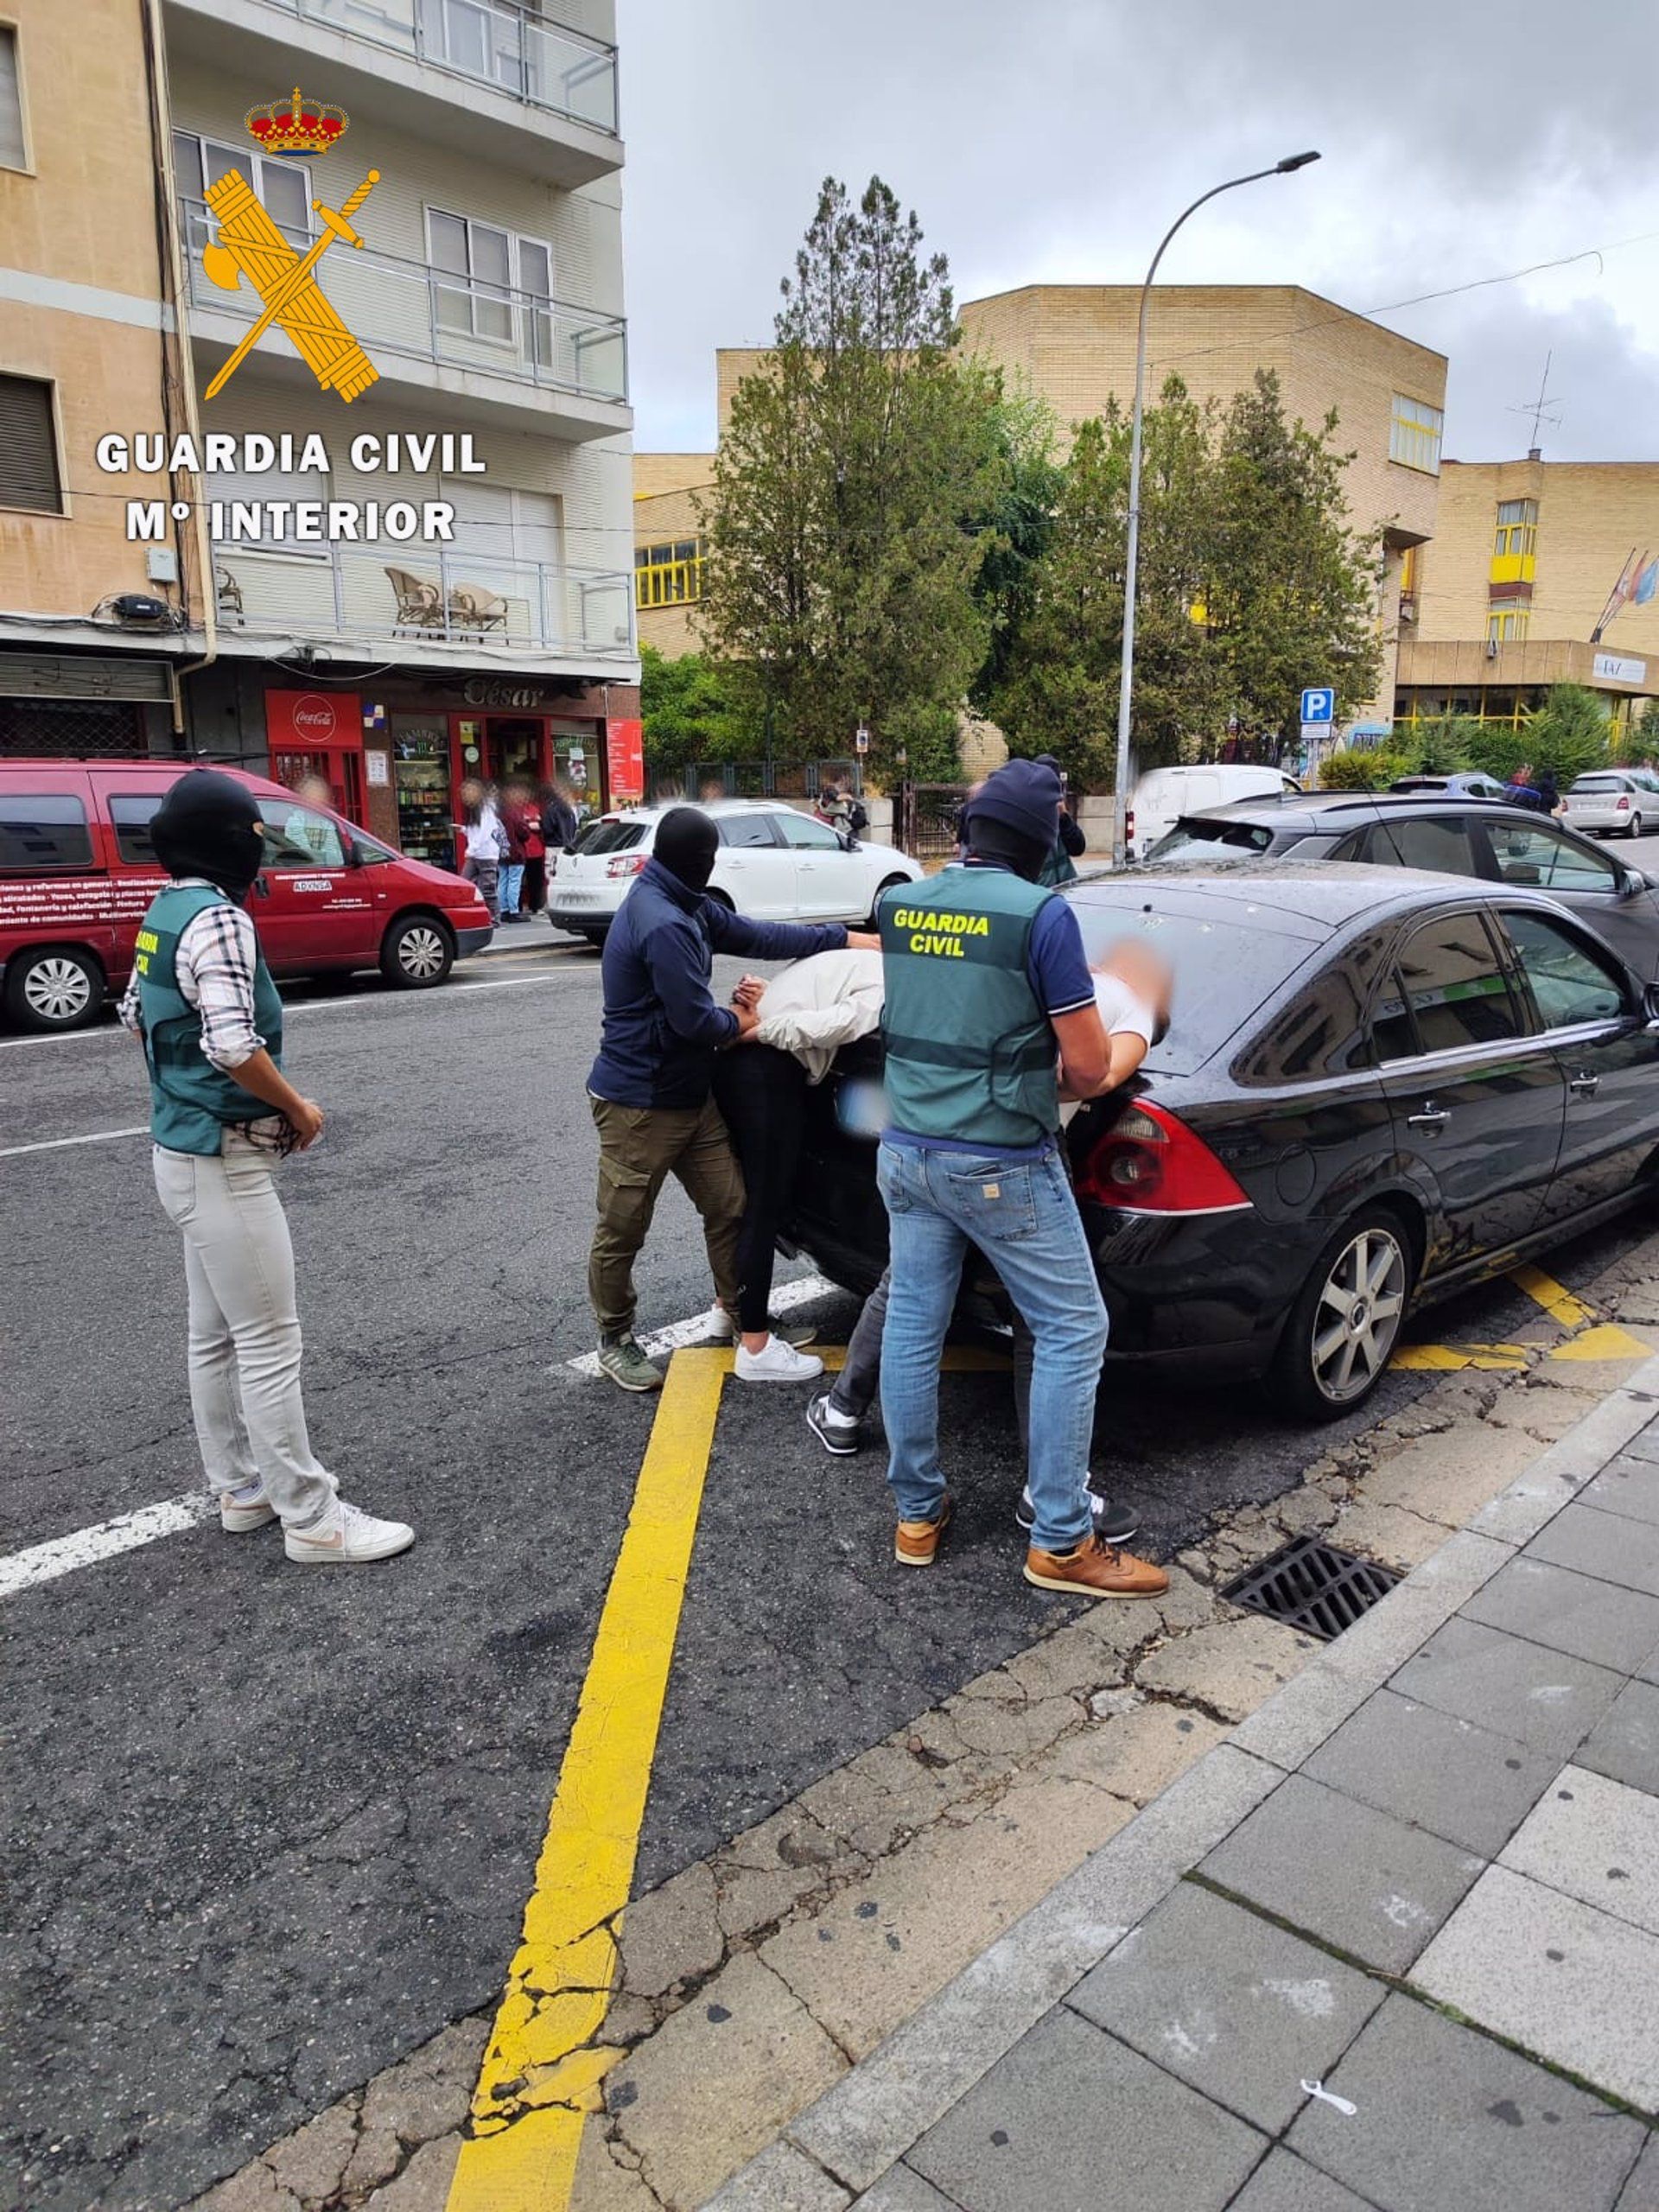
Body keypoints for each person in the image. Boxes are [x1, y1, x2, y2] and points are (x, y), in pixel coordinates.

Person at [872, 757, 1168, 1599]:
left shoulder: (904, 902)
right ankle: (1063, 1541)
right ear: (1041, 843)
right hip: (1000, 1161)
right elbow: (1081, 1071)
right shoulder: (1041, 917)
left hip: (907, 1152)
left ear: (968, 833)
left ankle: (918, 1515)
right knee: (1075, 1327)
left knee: (914, 1325)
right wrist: (1131, 1038)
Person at [119, 770, 413, 1565]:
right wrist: (296, 1108)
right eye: (253, 836)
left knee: (214, 1336)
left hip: (179, 1149)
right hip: (225, 1156)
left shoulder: (166, 910)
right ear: (230, 842)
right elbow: (230, 1042)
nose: (259, 851)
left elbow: (138, 1016)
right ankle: (311, 1517)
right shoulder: (219, 918)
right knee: (271, 1340)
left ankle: (242, 1490)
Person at [807, 938, 1173, 1556]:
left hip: (925, 1139)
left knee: (911, 1301)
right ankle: (1052, 1496)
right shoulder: (1120, 1003)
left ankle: (853, 1427)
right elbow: (1100, 1073)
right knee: (1056, 1321)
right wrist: (1012, 1093)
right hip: (1010, 1157)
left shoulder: (1061, 976)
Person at [585, 806, 877, 1391]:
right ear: (698, 862)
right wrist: (744, 1017)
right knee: (623, 1228)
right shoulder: (662, 919)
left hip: (693, 1096)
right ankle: (615, 1338)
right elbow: (694, 1021)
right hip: (640, 1105)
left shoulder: (687, 901)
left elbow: (759, 935)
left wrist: (844, 936)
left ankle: (742, 1316)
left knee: (732, 1207)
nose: (712, 866)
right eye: (709, 858)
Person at [711, 947, 885, 1379]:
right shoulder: (892, 981)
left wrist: (763, 1012)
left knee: (752, 1196)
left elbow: (805, 997)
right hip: (766, 1078)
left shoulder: (852, 959)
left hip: (737, 1077)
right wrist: (758, 1031)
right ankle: (754, 1345)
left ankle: (725, 1309)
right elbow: (836, 1022)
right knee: (764, 1206)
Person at [456, 778, 505, 920]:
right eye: (465, 792)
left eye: (469, 791)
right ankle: (476, 913)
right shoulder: (475, 810)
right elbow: (476, 830)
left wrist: (472, 849)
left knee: (488, 888)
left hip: (487, 854)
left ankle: (494, 917)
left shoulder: (486, 809)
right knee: (465, 882)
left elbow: (485, 831)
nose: (466, 795)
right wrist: (464, 830)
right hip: (477, 853)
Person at [1034, 753, 1086, 885]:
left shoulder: (1060, 817)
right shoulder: (1027, 816)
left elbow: (1077, 848)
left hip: (1067, 887)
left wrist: (1064, 817)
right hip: (1042, 892)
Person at [498, 779, 529, 920]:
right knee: (514, 881)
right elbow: (523, 832)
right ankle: (514, 911)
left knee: (503, 880)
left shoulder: (498, 812)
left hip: (501, 851)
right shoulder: (514, 812)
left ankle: (504, 910)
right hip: (515, 851)